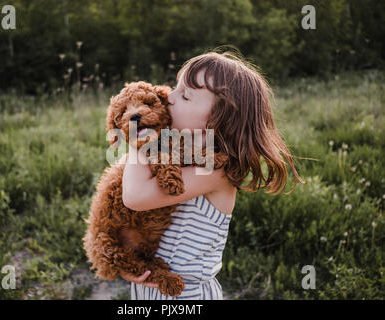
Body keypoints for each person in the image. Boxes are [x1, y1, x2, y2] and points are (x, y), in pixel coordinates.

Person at [120, 49, 306, 300]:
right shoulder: (175, 153)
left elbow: (135, 197)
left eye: (184, 96)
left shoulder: (215, 171)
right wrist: (130, 266)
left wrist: (138, 133)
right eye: (175, 87)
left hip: (187, 296)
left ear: (216, 122)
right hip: (151, 289)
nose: (169, 98)